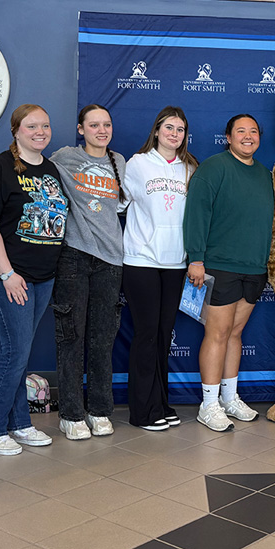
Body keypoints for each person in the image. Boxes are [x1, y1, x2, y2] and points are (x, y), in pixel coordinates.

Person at [0, 105, 68, 455]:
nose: (40, 131)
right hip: (7, 276)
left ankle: (20, 423)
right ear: (16, 130)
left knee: (20, 351)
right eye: (31, 126)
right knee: (15, 350)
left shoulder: (52, 169)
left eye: (45, 125)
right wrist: (8, 274)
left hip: (43, 276)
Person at [183, 114, 273, 432]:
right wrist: (196, 259)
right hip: (219, 266)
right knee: (217, 334)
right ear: (228, 137)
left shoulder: (265, 175)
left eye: (253, 131)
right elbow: (196, 213)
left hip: (254, 268)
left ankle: (229, 398)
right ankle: (208, 405)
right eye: (240, 131)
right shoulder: (214, 167)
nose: (247, 136)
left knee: (235, 334)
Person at [50, 105, 126, 440]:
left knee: (102, 339)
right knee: (72, 337)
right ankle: (70, 413)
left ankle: (99, 409)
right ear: (81, 129)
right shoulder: (64, 157)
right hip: (74, 256)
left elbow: (120, 206)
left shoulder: (119, 162)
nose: (101, 130)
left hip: (111, 259)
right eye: (94, 125)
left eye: (106, 125)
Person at [122, 107, 198, 431]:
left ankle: (161, 403)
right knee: (146, 335)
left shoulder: (190, 167)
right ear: (156, 131)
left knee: (163, 337)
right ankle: (142, 411)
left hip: (175, 262)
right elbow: (118, 203)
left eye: (180, 129)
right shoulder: (137, 164)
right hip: (141, 260)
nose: (174, 134)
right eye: (169, 127)